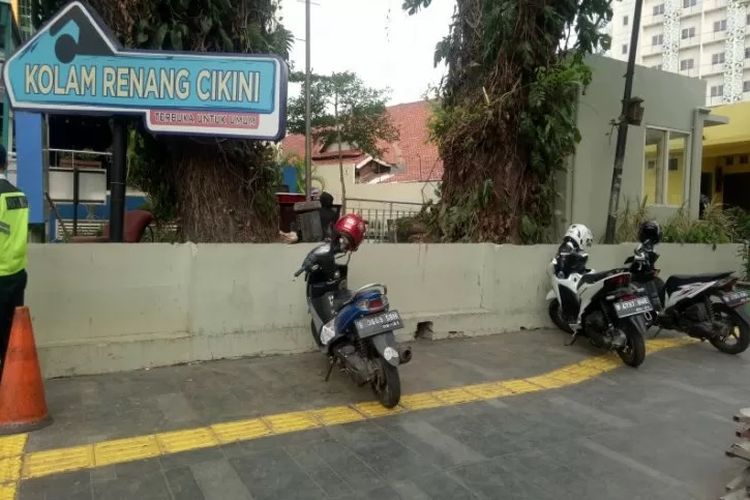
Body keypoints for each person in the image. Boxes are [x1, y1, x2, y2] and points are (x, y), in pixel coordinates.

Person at [0, 145, 29, 377]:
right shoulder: (20, 196)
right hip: (17, 274)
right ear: (6, 164)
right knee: (11, 337)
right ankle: (10, 390)